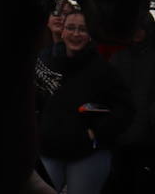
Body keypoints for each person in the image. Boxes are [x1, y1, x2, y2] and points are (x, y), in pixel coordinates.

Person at [37, 10, 133, 194]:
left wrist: (99, 131)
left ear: (90, 34)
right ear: (62, 31)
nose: (75, 34)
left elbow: (126, 108)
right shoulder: (46, 59)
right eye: (71, 28)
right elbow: (34, 98)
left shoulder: (102, 69)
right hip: (48, 150)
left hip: (86, 154)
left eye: (82, 29)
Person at [108, 11, 155, 194]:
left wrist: (150, 119)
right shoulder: (117, 58)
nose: (137, 32)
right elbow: (107, 92)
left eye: (141, 28)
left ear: (148, 31)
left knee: (143, 185)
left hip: (146, 139)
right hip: (120, 135)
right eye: (134, 28)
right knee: (120, 184)